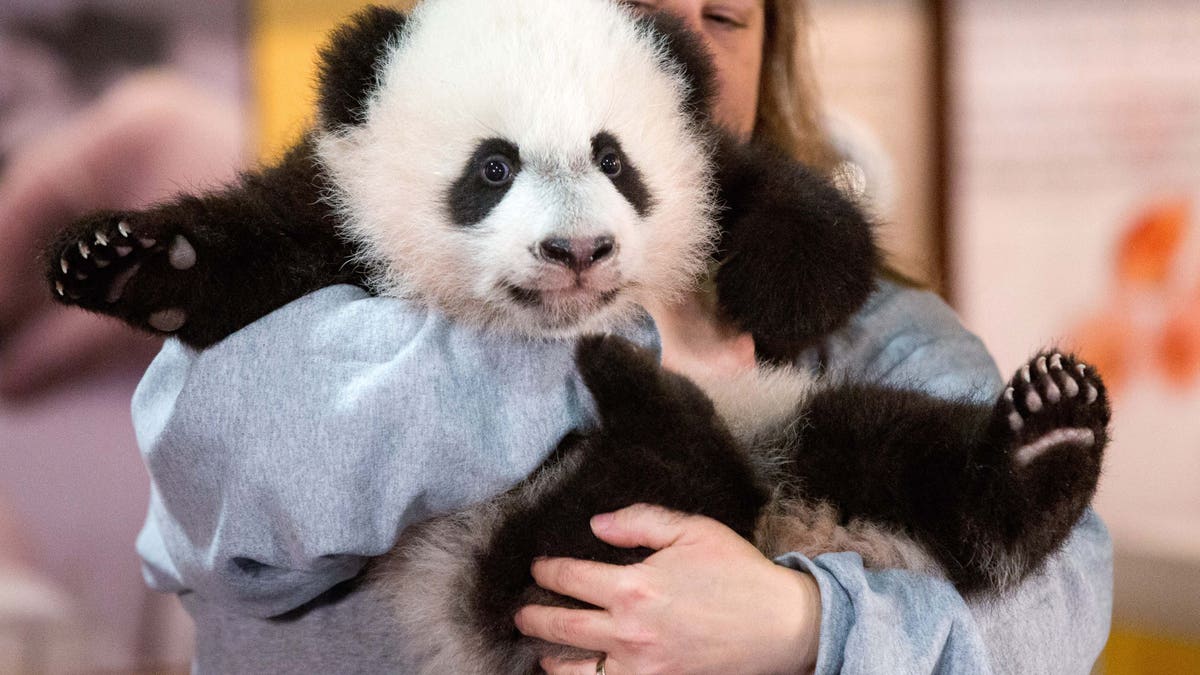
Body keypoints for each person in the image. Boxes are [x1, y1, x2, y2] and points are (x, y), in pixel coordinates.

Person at [34, 0, 1114, 672]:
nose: (679, 37)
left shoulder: (879, 323)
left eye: (727, 15)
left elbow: (1055, 616)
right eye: (637, 1)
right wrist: (610, 362)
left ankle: (987, 491)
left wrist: (795, 626)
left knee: (861, 441)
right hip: (512, 584)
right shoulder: (370, 222)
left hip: (734, 477)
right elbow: (229, 484)